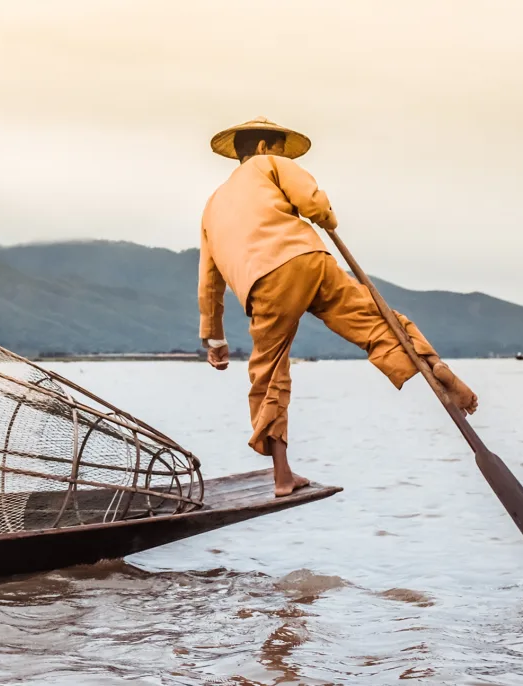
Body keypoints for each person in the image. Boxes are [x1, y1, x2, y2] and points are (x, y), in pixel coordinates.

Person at [198, 117, 480, 497]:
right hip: (308, 257)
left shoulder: (212, 206)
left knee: (269, 375)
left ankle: (282, 477)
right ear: (265, 147)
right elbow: (312, 201)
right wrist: (326, 217)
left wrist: (214, 338)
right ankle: (437, 368)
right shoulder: (271, 166)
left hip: (263, 284)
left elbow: (210, 282)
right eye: (281, 149)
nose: (282, 155)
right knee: (377, 321)